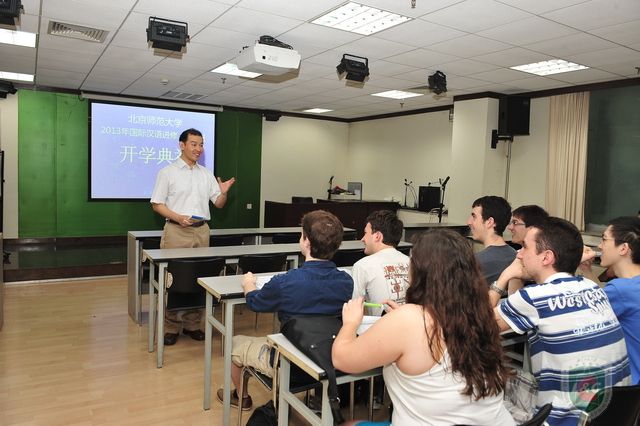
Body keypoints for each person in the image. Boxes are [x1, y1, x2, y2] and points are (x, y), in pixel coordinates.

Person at [333, 229, 515, 426]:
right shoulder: (481, 314)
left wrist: (351, 322)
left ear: (422, 271)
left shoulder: (409, 319)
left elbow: (342, 359)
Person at [490, 217, 631, 426]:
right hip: (612, 414)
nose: (518, 254)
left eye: (524, 247)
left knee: (484, 390)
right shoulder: (593, 288)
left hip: (562, 420)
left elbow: (474, 326)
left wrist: (505, 276)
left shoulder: (535, 297)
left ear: (547, 257)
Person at [217, 210, 353, 410]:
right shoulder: (346, 282)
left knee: (235, 342)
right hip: (329, 359)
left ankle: (241, 397)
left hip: (290, 363)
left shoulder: (285, 282)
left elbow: (255, 303)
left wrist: (248, 284)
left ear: (306, 242)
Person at [150, 128, 236, 346]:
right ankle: (170, 327)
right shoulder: (167, 172)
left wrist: (223, 192)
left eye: (201, 144)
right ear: (182, 145)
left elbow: (218, 204)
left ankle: (192, 324)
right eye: (194, 144)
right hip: (176, 231)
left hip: (202, 231)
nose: (198, 149)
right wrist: (178, 217)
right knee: (174, 279)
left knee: (199, 278)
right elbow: (157, 204)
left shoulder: (205, 174)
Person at [580, 216, 640, 384]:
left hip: (631, 386)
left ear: (623, 248)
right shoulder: (628, 287)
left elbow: (580, 319)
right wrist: (586, 270)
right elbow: (602, 297)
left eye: (604, 240)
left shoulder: (621, 289)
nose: (600, 246)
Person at [352, 210, 409, 316]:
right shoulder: (412, 262)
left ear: (377, 236)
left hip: (379, 325)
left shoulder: (362, 266)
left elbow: (355, 309)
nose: (362, 239)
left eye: (365, 233)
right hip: (412, 324)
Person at [468, 196, 517, 283]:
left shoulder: (476, 262)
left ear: (489, 222)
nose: (469, 222)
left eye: (474, 217)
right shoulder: (515, 256)